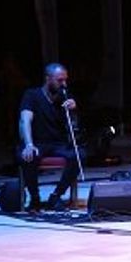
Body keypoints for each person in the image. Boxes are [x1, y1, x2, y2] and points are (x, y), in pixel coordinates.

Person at [16, 63, 82, 210]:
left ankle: (56, 196)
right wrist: (29, 144)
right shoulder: (32, 95)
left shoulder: (65, 96)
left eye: (65, 80)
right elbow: (25, 120)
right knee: (28, 156)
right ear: (48, 79)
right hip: (37, 142)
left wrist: (74, 110)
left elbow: (74, 125)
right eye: (60, 80)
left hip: (58, 144)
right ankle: (35, 198)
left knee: (79, 156)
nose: (64, 84)